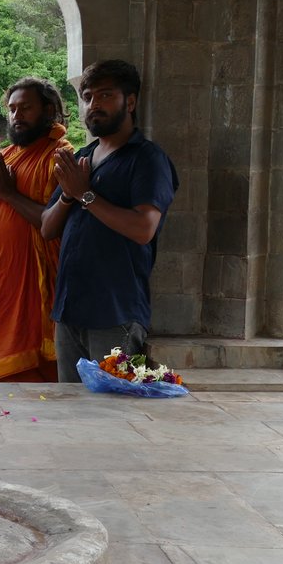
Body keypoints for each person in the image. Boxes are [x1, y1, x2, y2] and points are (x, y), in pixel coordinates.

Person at [41, 60, 179, 381]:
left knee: (112, 413)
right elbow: (48, 228)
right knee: (73, 413)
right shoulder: (82, 158)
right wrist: (68, 195)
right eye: (88, 97)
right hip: (70, 311)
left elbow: (144, 229)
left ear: (129, 102)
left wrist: (86, 195)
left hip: (114, 313)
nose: (93, 105)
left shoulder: (147, 159)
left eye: (105, 95)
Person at [0, 77, 73, 382]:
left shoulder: (60, 156)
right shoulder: (2, 159)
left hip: (34, 290)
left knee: (33, 387)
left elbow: (54, 223)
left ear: (49, 110)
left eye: (26, 108)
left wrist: (9, 194)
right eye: (11, 109)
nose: (16, 115)